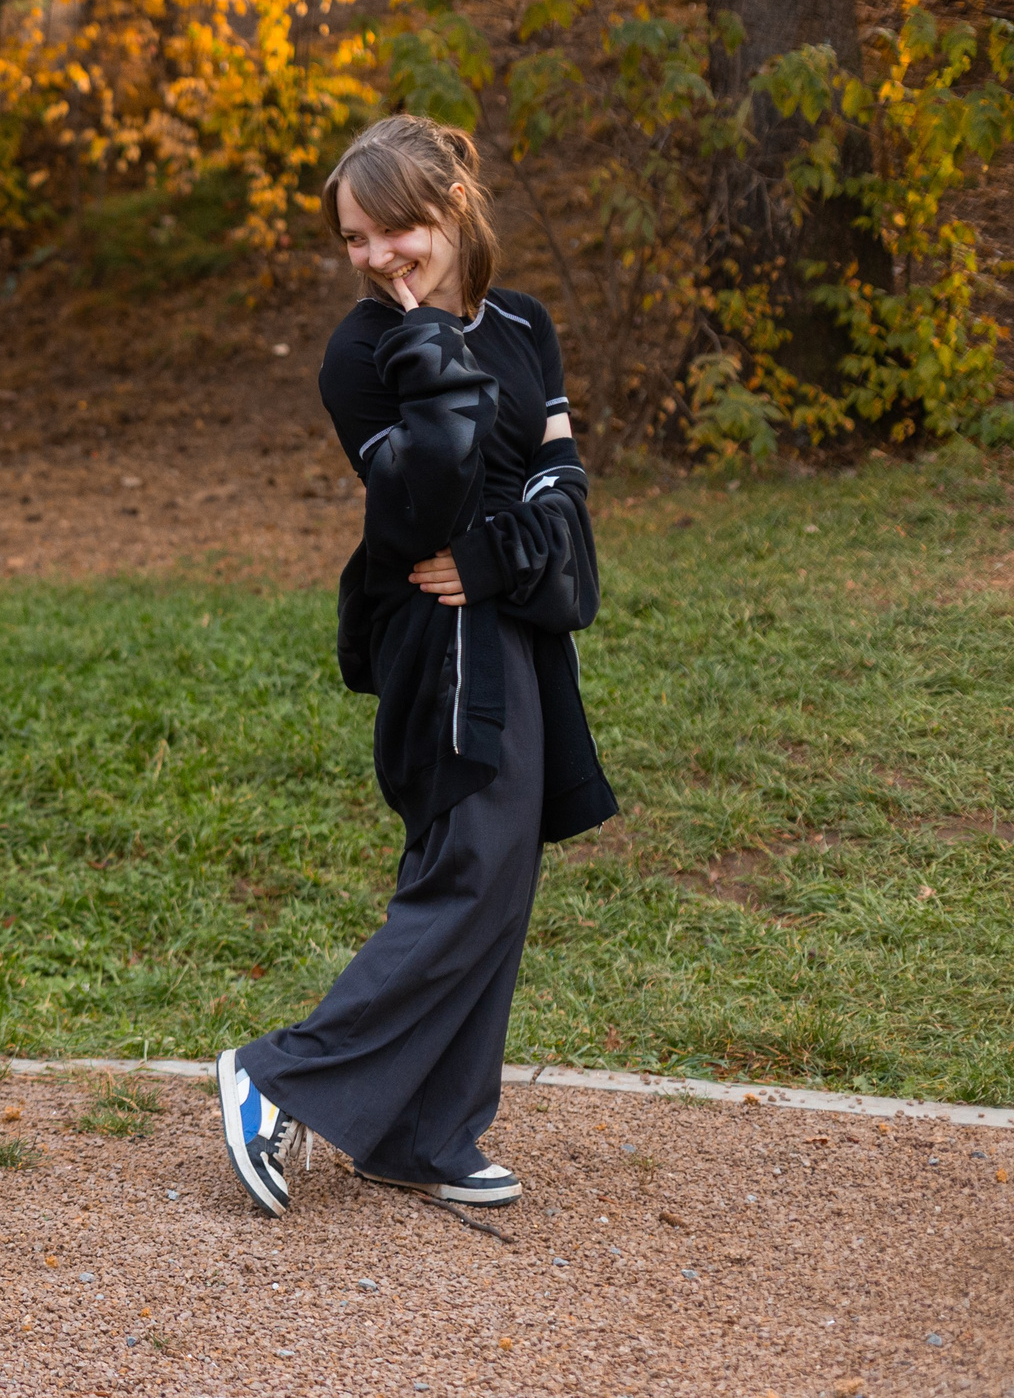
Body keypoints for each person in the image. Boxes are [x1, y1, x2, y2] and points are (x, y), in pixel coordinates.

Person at [216, 114, 616, 1217]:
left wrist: (495, 557)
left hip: (514, 623)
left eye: (398, 229)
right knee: (469, 867)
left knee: (500, 869)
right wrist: (430, 356)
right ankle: (276, 1076)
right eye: (355, 238)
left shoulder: (524, 326)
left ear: (451, 207)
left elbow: (563, 492)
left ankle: (421, 1133)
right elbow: (420, 501)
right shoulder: (362, 353)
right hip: (436, 644)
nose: (378, 256)